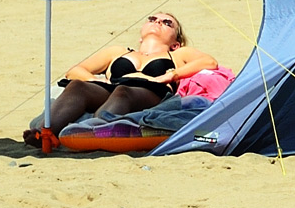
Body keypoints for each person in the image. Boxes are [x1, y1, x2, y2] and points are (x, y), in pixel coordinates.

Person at [22, 12, 216, 148]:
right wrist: (93, 79)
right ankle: (45, 134)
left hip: (150, 91)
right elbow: (75, 70)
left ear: (175, 43)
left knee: (123, 93)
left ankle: (92, 130)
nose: (158, 22)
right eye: (153, 19)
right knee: (78, 86)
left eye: (167, 23)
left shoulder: (177, 54)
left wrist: (172, 75)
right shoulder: (118, 52)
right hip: (112, 87)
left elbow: (209, 61)